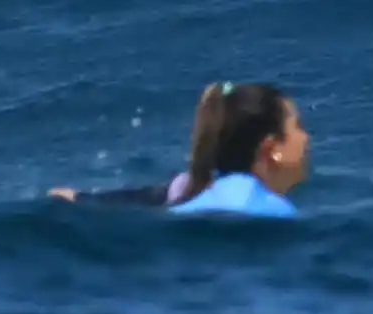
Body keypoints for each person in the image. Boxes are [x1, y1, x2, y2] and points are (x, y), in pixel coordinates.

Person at [49, 80, 310, 219]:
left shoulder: (188, 189)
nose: (306, 138)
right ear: (271, 148)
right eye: (298, 127)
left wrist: (79, 199)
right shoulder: (271, 211)